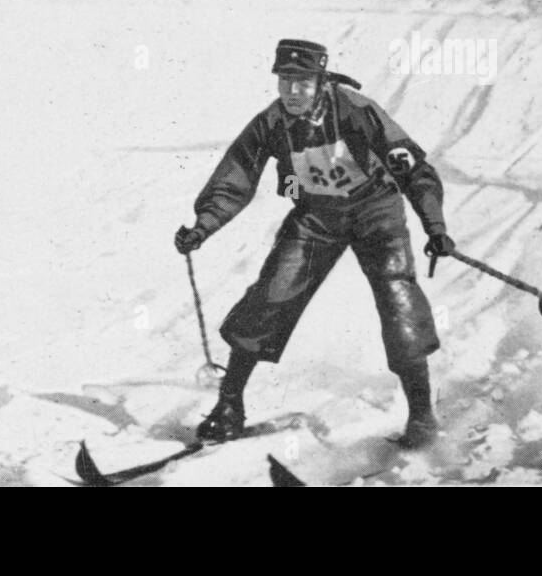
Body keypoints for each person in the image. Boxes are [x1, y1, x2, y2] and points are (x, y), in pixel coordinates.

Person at [173, 39, 454, 449]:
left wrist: (435, 225)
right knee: (270, 294)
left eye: (302, 82)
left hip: (376, 212)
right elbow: (235, 176)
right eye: (285, 81)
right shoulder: (271, 122)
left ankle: (422, 415)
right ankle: (229, 405)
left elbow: (412, 166)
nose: (292, 92)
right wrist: (203, 226)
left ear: (321, 82)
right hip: (318, 217)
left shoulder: (355, 109)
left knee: (398, 299)